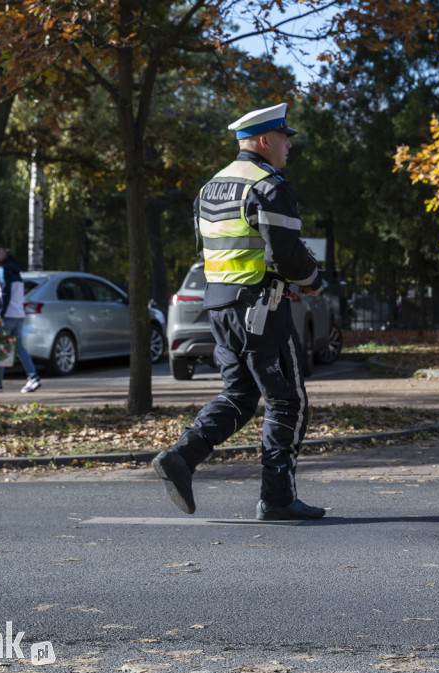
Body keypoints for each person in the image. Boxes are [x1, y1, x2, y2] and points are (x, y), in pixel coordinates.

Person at [152, 103, 326, 521]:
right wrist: (314, 279)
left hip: (220, 307)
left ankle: (181, 456)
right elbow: (285, 255)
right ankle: (278, 498)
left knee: (240, 395)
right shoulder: (268, 184)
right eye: (285, 138)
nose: (289, 146)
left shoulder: (210, 186)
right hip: (262, 307)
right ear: (265, 141)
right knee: (288, 401)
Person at [0, 245, 42, 394]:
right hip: (18, 315)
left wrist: (0, 315)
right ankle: (33, 377)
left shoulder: (3, 271)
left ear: (3, 255)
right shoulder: (15, 271)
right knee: (18, 348)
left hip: (7, 316)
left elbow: (5, 294)